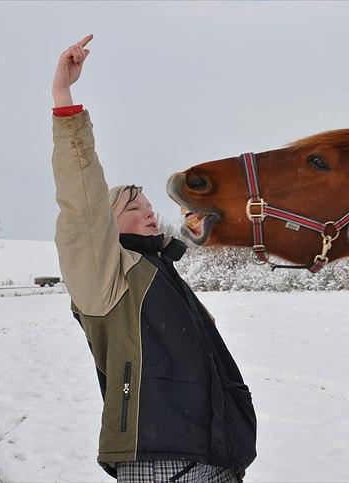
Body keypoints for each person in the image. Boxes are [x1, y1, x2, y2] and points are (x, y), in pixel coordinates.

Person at [50, 34, 256, 482]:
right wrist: (65, 102)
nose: (148, 211)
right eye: (132, 207)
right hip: (160, 459)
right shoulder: (104, 277)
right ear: (106, 225)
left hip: (213, 452)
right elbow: (83, 203)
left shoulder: (158, 268)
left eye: (147, 205)